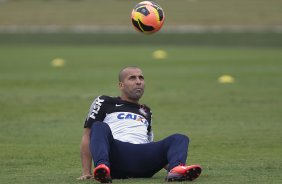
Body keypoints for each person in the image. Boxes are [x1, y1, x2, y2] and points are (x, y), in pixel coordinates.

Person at [77, 66, 202, 183]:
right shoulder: (105, 101)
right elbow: (87, 136)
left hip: (143, 158)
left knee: (179, 138)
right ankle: (102, 168)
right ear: (121, 85)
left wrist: (170, 159)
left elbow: (149, 144)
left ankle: (176, 170)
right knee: (98, 127)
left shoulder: (146, 111)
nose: (138, 82)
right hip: (117, 155)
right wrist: (86, 172)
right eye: (132, 78)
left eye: (141, 78)